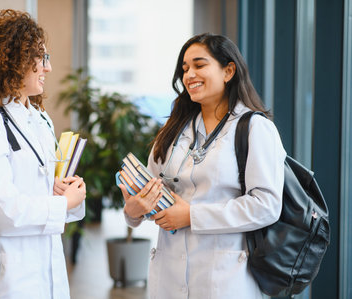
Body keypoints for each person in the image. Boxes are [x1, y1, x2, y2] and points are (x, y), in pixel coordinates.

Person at [119, 33, 286, 298]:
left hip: (225, 278)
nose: (189, 75)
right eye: (184, 69)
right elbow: (146, 194)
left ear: (228, 70)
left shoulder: (255, 128)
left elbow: (266, 205)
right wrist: (133, 210)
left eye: (199, 65)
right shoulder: (173, 132)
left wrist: (192, 216)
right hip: (168, 276)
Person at [0, 9, 86, 299]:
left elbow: (40, 191)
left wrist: (67, 193)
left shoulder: (39, 119)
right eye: (41, 58)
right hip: (10, 281)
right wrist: (61, 205)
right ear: (14, 60)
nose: (48, 68)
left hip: (50, 277)